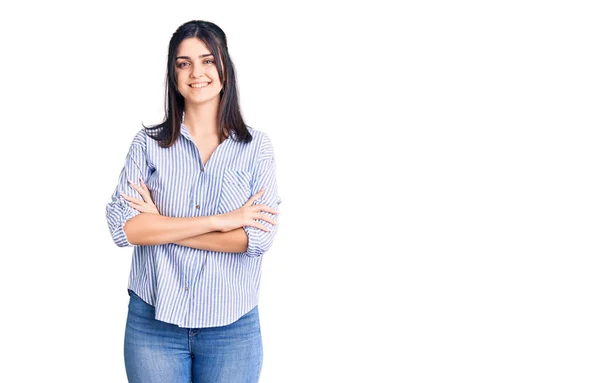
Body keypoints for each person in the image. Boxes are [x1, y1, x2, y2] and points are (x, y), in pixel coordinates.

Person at [105, 20, 281, 383]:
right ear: (173, 75)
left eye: (207, 61)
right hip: (153, 325)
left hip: (232, 329)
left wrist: (161, 227)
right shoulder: (147, 144)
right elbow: (124, 228)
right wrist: (223, 220)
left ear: (224, 70)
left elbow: (255, 240)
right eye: (184, 63)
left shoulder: (256, 148)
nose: (196, 72)